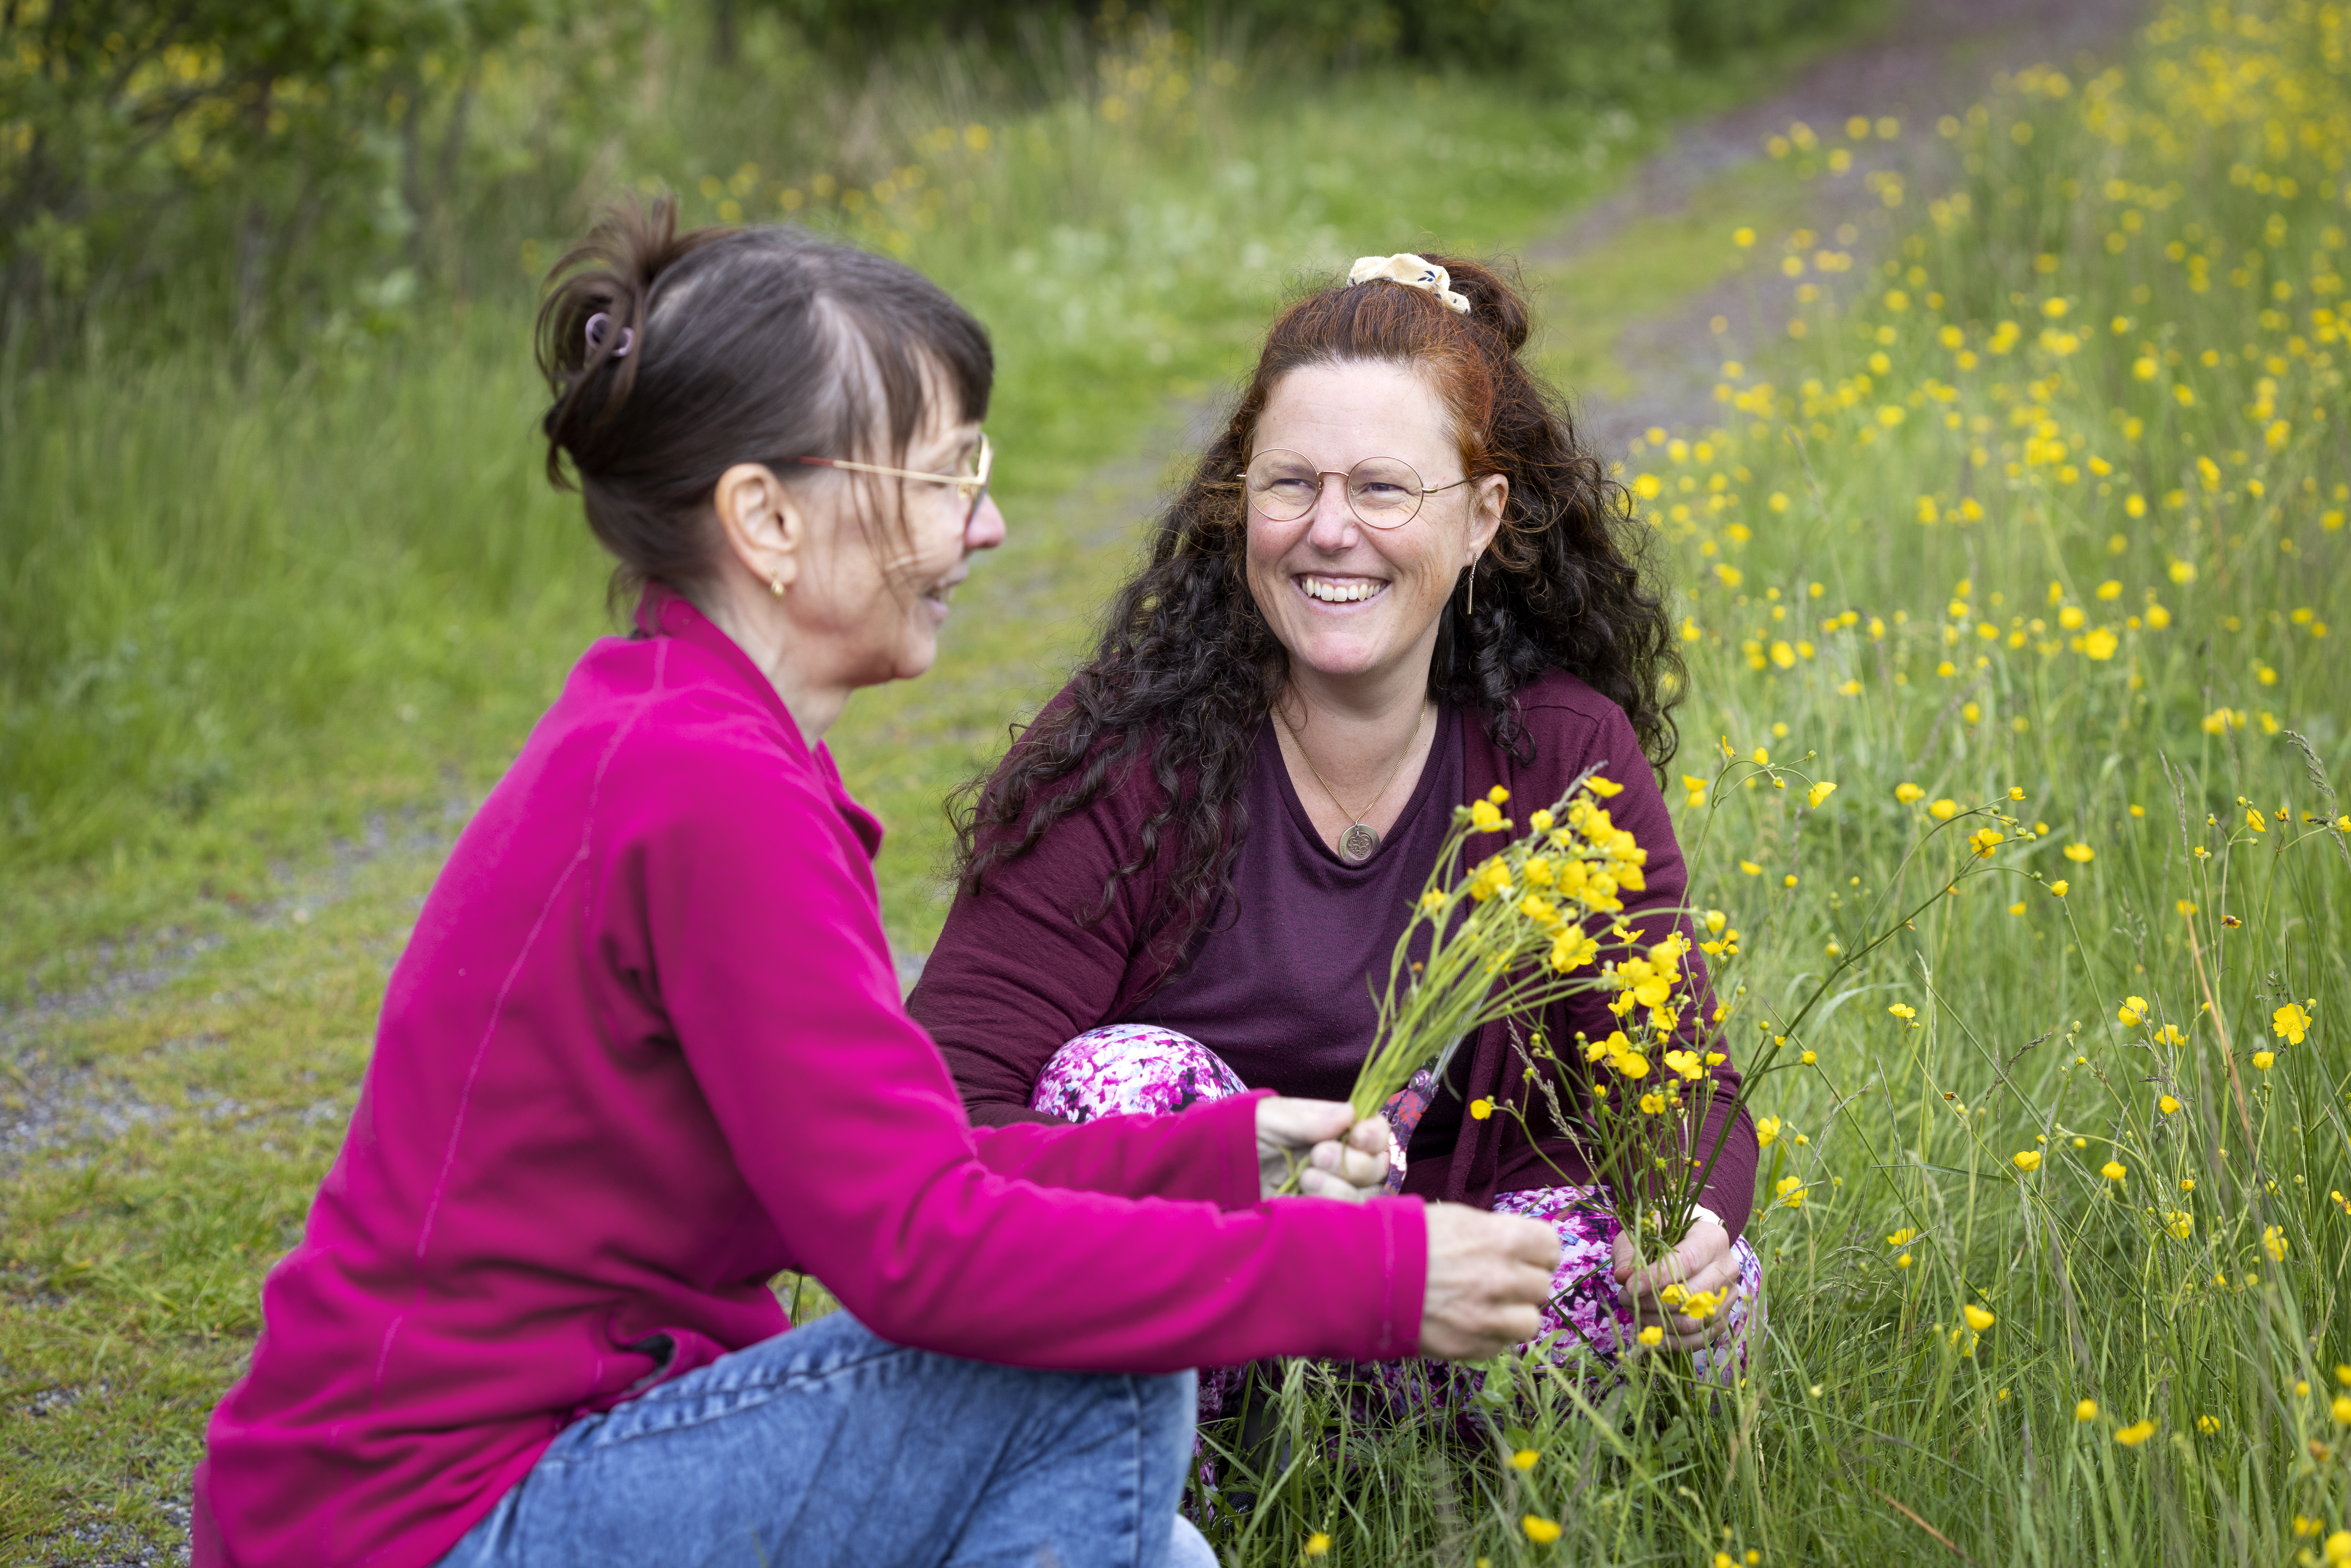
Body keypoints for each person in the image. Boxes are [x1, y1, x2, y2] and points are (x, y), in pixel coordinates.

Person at [190, 208, 1565, 1568]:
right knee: (1093, 1352)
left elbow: (906, 1178)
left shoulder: (688, 740)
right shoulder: (706, 788)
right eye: (944, 476)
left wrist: (1220, 1154)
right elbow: (920, 1251)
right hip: (430, 1520)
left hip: (574, 1455)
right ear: (766, 519)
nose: (988, 524)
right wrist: (1375, 1276)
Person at [912, 252, 1764, 1418]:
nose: (1328, 531)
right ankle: (1170, 1480)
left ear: (1480, 519)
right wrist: (1229, 1191)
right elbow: (952, 1100)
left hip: (1450, 1312)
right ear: (1241, 504)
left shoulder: (1563, 755)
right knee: (1113, 1080)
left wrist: (1693, 1220)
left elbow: (1676, 1083)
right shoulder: (1125, 749)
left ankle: (1452, 1490)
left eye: (1381, 489)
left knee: (1705, 1290)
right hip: (1207, 1315)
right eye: (1290, 486)